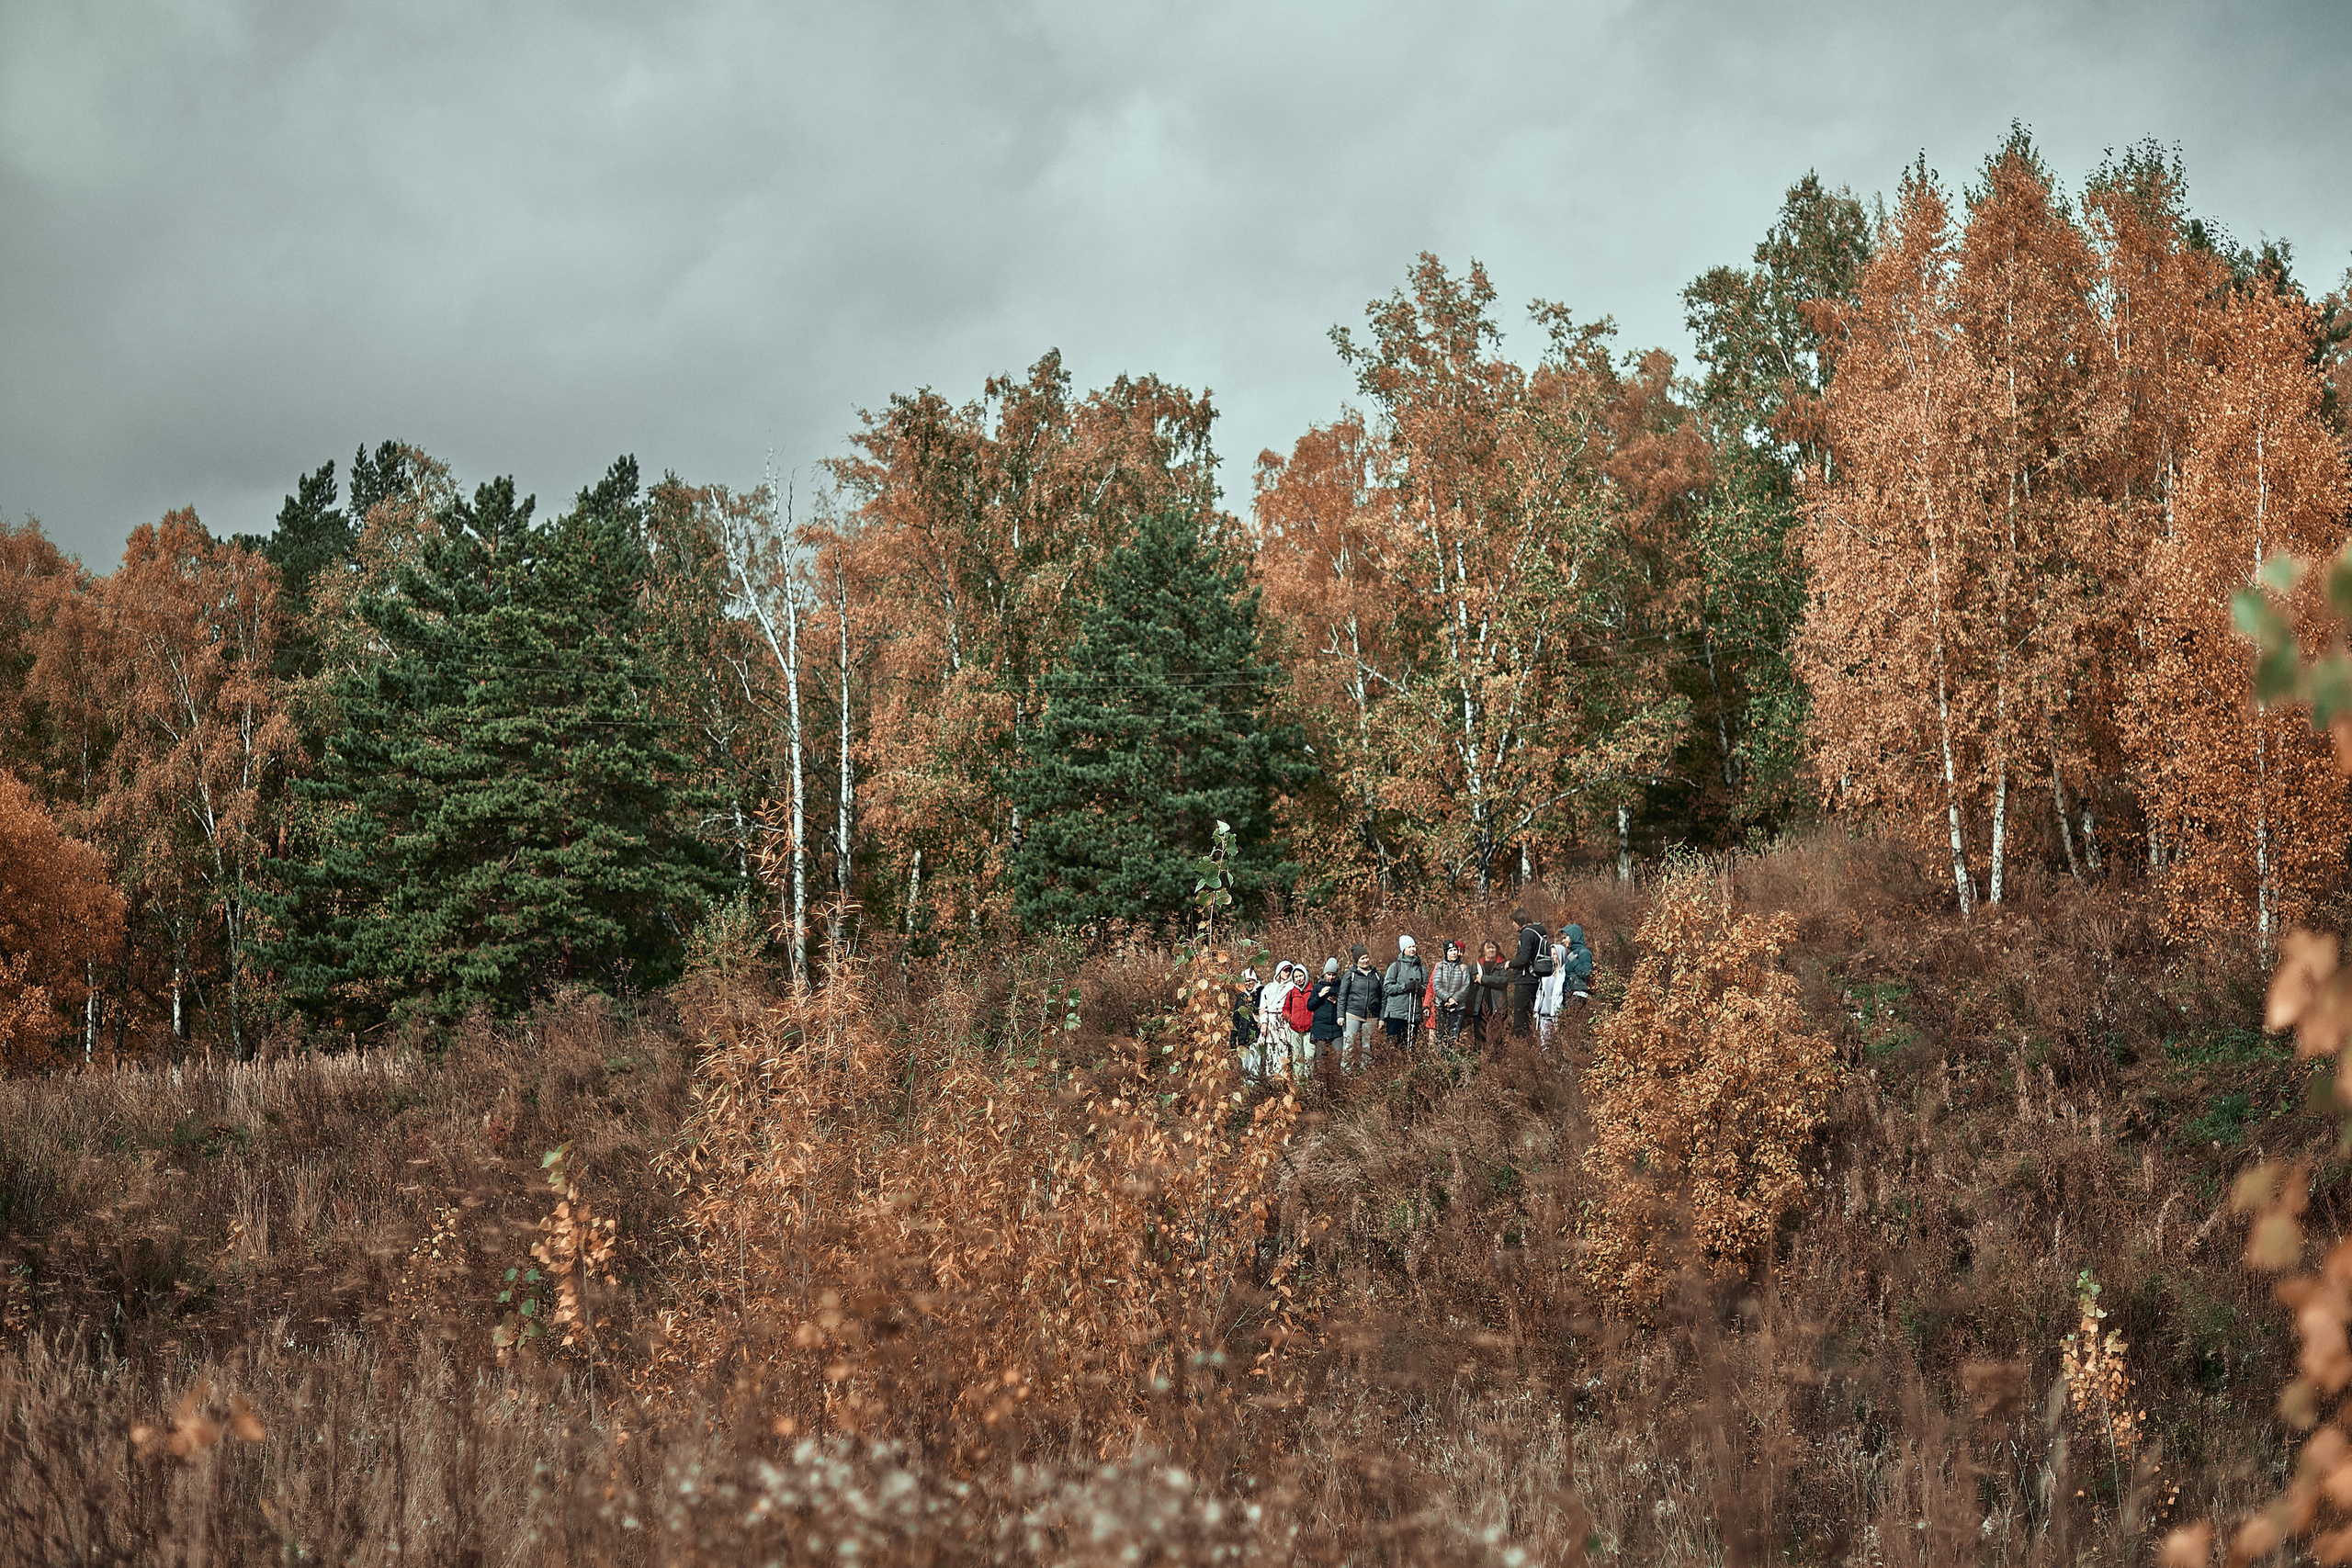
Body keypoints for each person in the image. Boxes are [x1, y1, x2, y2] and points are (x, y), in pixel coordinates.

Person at [1335, 943, 1383, 1075]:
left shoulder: (1377, 975)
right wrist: (1340, 1015)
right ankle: (1346, 1074)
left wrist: (1381, 1018)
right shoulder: (1350, 975)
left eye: (1366, 957)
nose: (1365, 960)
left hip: (1371, 1016)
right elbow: (1342, 996)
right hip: (1352, 1014)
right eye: (1362, 958)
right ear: (1356, 961)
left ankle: (1365, 1075)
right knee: (1349, 1046)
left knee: (1367, 1047)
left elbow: (1383, 997)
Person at [1381, 935, 1427, 1059]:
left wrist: (1420, 988)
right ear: (1403, 949)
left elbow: (1427, 988)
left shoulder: (1421, 967)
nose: (1412, 949)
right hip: (1396, 1013)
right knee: (1392, 1042)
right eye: (1409, 947)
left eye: (1414, 947)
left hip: (1413, 1012)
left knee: (1410, 1045)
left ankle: (1406, 1070)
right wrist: (1405, 987)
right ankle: (1389, 1067)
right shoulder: (1395, 966)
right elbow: (1388, 987)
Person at [1506, 909, 1550, 1038]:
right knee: (1528, 1016)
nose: (1513, 926)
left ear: (1519, 922)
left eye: (1514, 922)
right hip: (1534, 979)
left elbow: (1523, 959)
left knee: (1520, 1018)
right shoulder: (1539, 932)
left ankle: (1522, 1049)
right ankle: (1527, 1048)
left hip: (1525, 980)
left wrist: (1509, 964)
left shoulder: (1526, 934)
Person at [1468, 939, 1510, 1052]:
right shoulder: (1476, 965)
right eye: (1488, 948)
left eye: (1493, 947)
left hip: (1497, 1005)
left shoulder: (1502, 964)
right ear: (1483, 950)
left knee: (1497, 1037)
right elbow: (1471, 981)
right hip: (1479, 1005)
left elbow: (1503, 981)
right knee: (1479, 1037)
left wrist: (1484, 979)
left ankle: (1497, 1061)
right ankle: (1480, 1060)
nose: (1491, 950)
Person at [1532, 925, 1569, 1053]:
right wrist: (1536, 1009)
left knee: (1559, 1044)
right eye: (1551, 954)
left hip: (1556, 1014)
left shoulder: (1564, 974)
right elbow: (1540, 993)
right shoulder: (1546, 974)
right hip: (1543, 1014)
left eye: (1555, 954)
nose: (1552, 956)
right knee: (1545, 1046)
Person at [1430, 939, 1472, 1048]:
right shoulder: (1440, 966)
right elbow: (1437, 986)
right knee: (1441, 1037)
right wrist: (1448, 998)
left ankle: (1452, 1062)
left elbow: (1466, 986)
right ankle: (1441, 1061)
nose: (1453, 953)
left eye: (1455, 950)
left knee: (1454, 1037)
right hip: (1442, 1006)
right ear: (1446, 952)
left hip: (1458, 1007)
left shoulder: (1464, 967)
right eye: (1450, 950)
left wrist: (1455, 999)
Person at [1280, 959, 1317, 1078]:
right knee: (1297, 1058)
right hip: (1295, 1031)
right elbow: (1285, 1008)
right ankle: (1298, 1083)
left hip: (1310, 1031)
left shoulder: (1314, 991)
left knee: (1309, 1057)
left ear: (1305, 976)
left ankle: (1308, 1084)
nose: (1299, 979)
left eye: (1301, 976)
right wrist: (1290, 1019)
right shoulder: (1291, 993)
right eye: (1296, 977)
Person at [1258, 961, 1296, 1077]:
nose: (1288, 973)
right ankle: (1271, 1084)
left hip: (1283, 1025)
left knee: (1282, 1056)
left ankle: (1281, 1083)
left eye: (1290, 971)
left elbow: (1285, 1007)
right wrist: (1263, 1023)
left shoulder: (1292, 988)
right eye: (1285, 970)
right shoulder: (1269, 988)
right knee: (1270, 1057)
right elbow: (1261, 1008)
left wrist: (1269, 1009)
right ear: (1279, 972)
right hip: (1269, 1026)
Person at [1308, 958, 1345, 1078]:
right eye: (1329, 974)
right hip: (1320, 1029)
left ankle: (1335, 1085)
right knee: (1321, 1062)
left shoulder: (1341, 987)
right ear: (1324, 974)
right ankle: (1320, 1088)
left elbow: (1346, 1004)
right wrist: (1320, 995)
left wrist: (1337, 1002)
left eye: (1334, 975)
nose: (1331, 977)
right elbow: (1310, 1006)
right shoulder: (1318, 987)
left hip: (1336, 1028)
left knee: (1337, 1058)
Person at [1234, 966, 1263, 1078]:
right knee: (1245, 1068)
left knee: (1254, 1067)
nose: (1248, 983)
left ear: (1255, 981)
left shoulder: (1261, 994)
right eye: (1246, 981)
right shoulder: (1240, 998)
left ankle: (1254, 1090)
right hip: (1242, 1038)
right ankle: (1247, 1092)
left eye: (1250, 981)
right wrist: (1234, 1038)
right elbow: (1235, 1018)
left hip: (1255, 1037)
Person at [1562, 923, 1593, 1003]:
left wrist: (1573, 961)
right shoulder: (1572, 954)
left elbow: (1586, 973)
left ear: (1573, 936)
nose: (1563, 941)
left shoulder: (1584, 952)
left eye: (1565, 938)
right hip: (1570, 995)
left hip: (1579, 996)